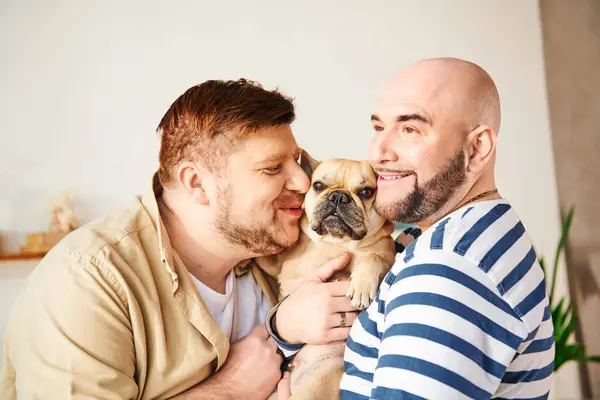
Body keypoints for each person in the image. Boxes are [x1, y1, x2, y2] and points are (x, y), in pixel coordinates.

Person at [0, 79, 359, 400]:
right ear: (196, 183)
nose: (301, 182)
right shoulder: (85, 280)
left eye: (297, 162)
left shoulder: (278, 246)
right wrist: (230, 389)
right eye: (272, 168)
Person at [338, 58, 555, 399]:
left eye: (410, 129)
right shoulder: (465, 231)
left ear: (477, 148)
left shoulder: (446, 270)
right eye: (379, 128)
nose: (378, 152)